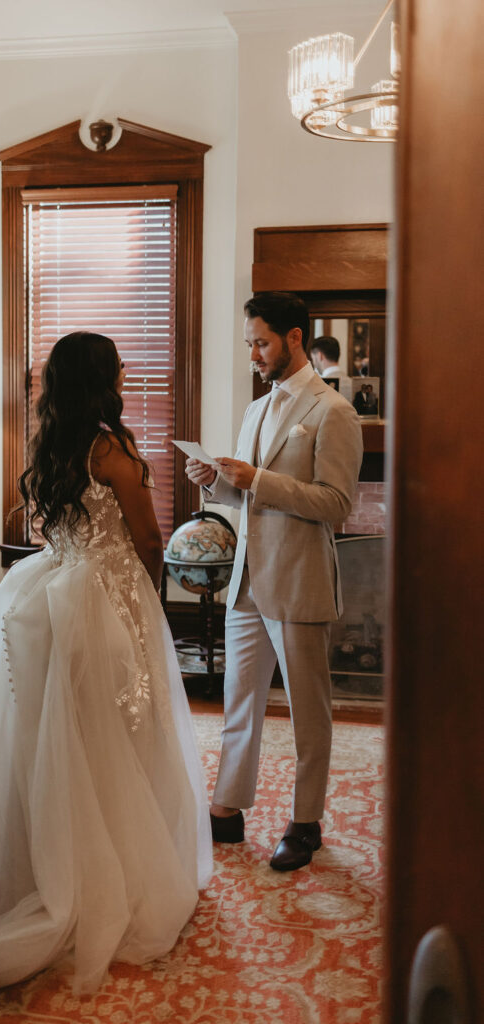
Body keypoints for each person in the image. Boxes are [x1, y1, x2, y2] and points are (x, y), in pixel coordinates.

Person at [0, 331, 212, 994]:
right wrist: (149, 597)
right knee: (124, 733)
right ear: (102, 378)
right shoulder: (113, 448)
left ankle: (57, 860)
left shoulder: (51, 444)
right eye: (119, 366)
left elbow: (50, 530)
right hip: (107, 601)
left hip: (55, 597)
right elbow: (148, 536)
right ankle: (115, 876)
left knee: (66, 734)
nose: (128, 371)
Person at [186, 293, 363, 871]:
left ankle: (305, 822)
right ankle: (228, 809)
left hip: (299, 581)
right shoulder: (256, 411)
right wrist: (215, 481)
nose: (254, 356)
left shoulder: (333, 411)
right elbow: (246, 493)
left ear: (292, 338)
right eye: (248, 345)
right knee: (240, 702)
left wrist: (258, 477)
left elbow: (336, 505)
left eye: (260, 343)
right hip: (247, 581)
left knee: (309, 711)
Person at [309, 335, 352, 402]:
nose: (313, 363)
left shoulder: (318, 387)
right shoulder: (351, 382)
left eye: (313, 359)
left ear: (319, 356)